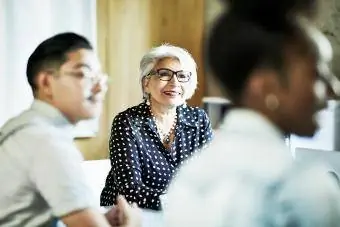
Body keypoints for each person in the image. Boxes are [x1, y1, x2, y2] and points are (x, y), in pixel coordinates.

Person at [163, 0, 340, 226]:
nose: (334, 88)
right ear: (266, 87)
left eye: (181, 76)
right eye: (317, 73)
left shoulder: (187, 180)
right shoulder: (308, 191)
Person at [0, 32, 139, 227]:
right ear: (47, 83)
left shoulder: (22, 126)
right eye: (84, 74)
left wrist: (100, 220)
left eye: (100, 78)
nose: (99, 88)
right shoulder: (46, 141)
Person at [100, 44, 213, 211]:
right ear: (146, 82)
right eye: (164, 74)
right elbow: (130, 190)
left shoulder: (198, 119)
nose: (174, 82)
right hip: (129, 215)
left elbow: (211, 176)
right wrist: (179, 203)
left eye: (182, 76)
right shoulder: (127, 122)